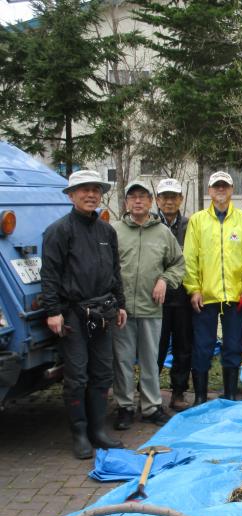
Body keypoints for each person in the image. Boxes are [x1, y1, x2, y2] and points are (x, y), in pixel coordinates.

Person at [40, 170, 127, 459]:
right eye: (83, 190)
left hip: (102, 312)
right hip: (73, 314)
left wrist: (120, 304)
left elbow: (115, 272)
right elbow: (49, 275)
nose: (90, 195)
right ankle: (79, 434)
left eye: (95, 190)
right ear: (70, 195)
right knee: (77, 375)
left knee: (102, 373)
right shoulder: (58, 231)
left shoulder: (107, 231)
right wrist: (53, 311)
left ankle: (98, 431)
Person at [113, 181, 185, 430]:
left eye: (143, 196)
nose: (138, 201)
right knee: (122, 360)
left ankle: (151, 407)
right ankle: (124, 406)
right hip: (121, 311)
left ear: (151, 201)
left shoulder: (162, 232)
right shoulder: (115, 231)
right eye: (132, 197)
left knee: (150, 360)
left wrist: (165, 280)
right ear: (126, 203)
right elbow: (105, 268)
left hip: (151, 308)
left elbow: (178, 264)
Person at [183, 171, 242, 405]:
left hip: (236, 296)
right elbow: (190, 258)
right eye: (216, 187)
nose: (220, 191)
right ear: (210, 191)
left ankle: (230, 394)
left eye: (225, 187)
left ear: (232, 189)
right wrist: (193, 288)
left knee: (234, 345)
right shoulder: (198, 220)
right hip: (206, 296)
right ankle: (200, 396)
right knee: (203, 345)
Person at [155, 178, 192, 412]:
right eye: (164, 197)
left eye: (173, 197)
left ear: (181, 199)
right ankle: (149, 394)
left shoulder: (191, 225)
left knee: (183, 346)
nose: (169, 201)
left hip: (184, 296)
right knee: (154, 348)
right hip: (155, 298)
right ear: (157, 200)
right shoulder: (148, 224)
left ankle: (178, 392)